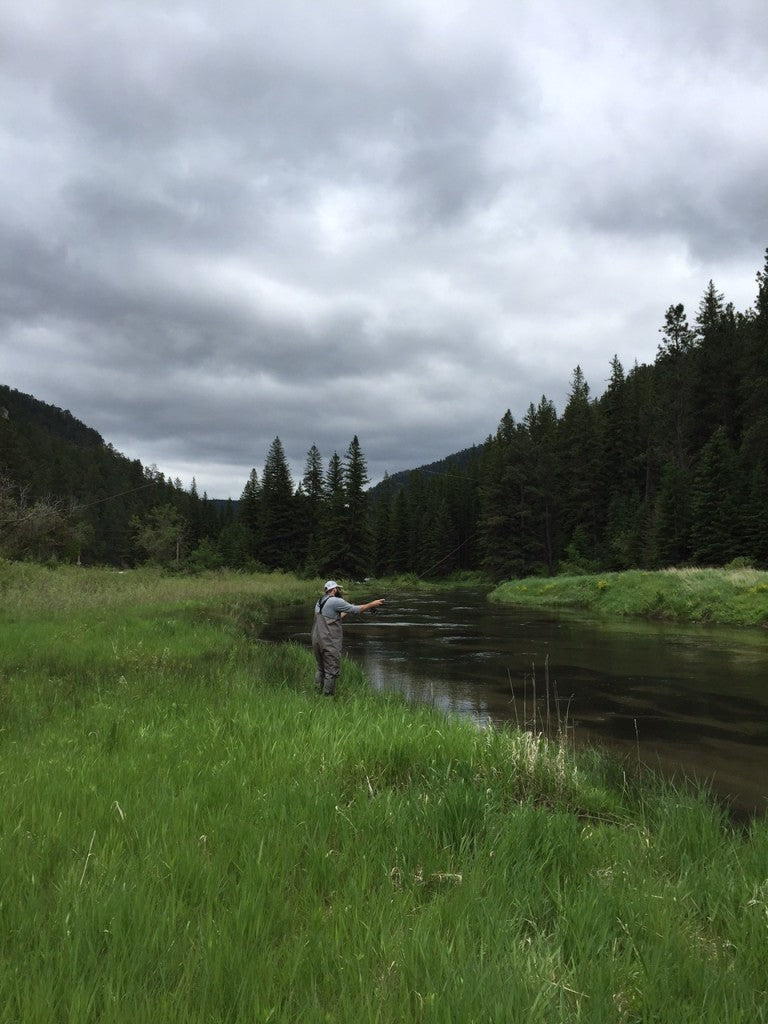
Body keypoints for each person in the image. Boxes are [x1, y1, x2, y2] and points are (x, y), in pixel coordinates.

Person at [311, 580, 384, 697]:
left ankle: (316, 694)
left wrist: (348, 610)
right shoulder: (335, 601)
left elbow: (333, 617)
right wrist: (372, 604)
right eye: (338, 589)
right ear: (334, 590)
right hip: (329, 641)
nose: (340, 591)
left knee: (321, 668)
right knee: (331, 671)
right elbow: (355, 610)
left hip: (316, 639)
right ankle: (327, 698)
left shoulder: (319, 602)